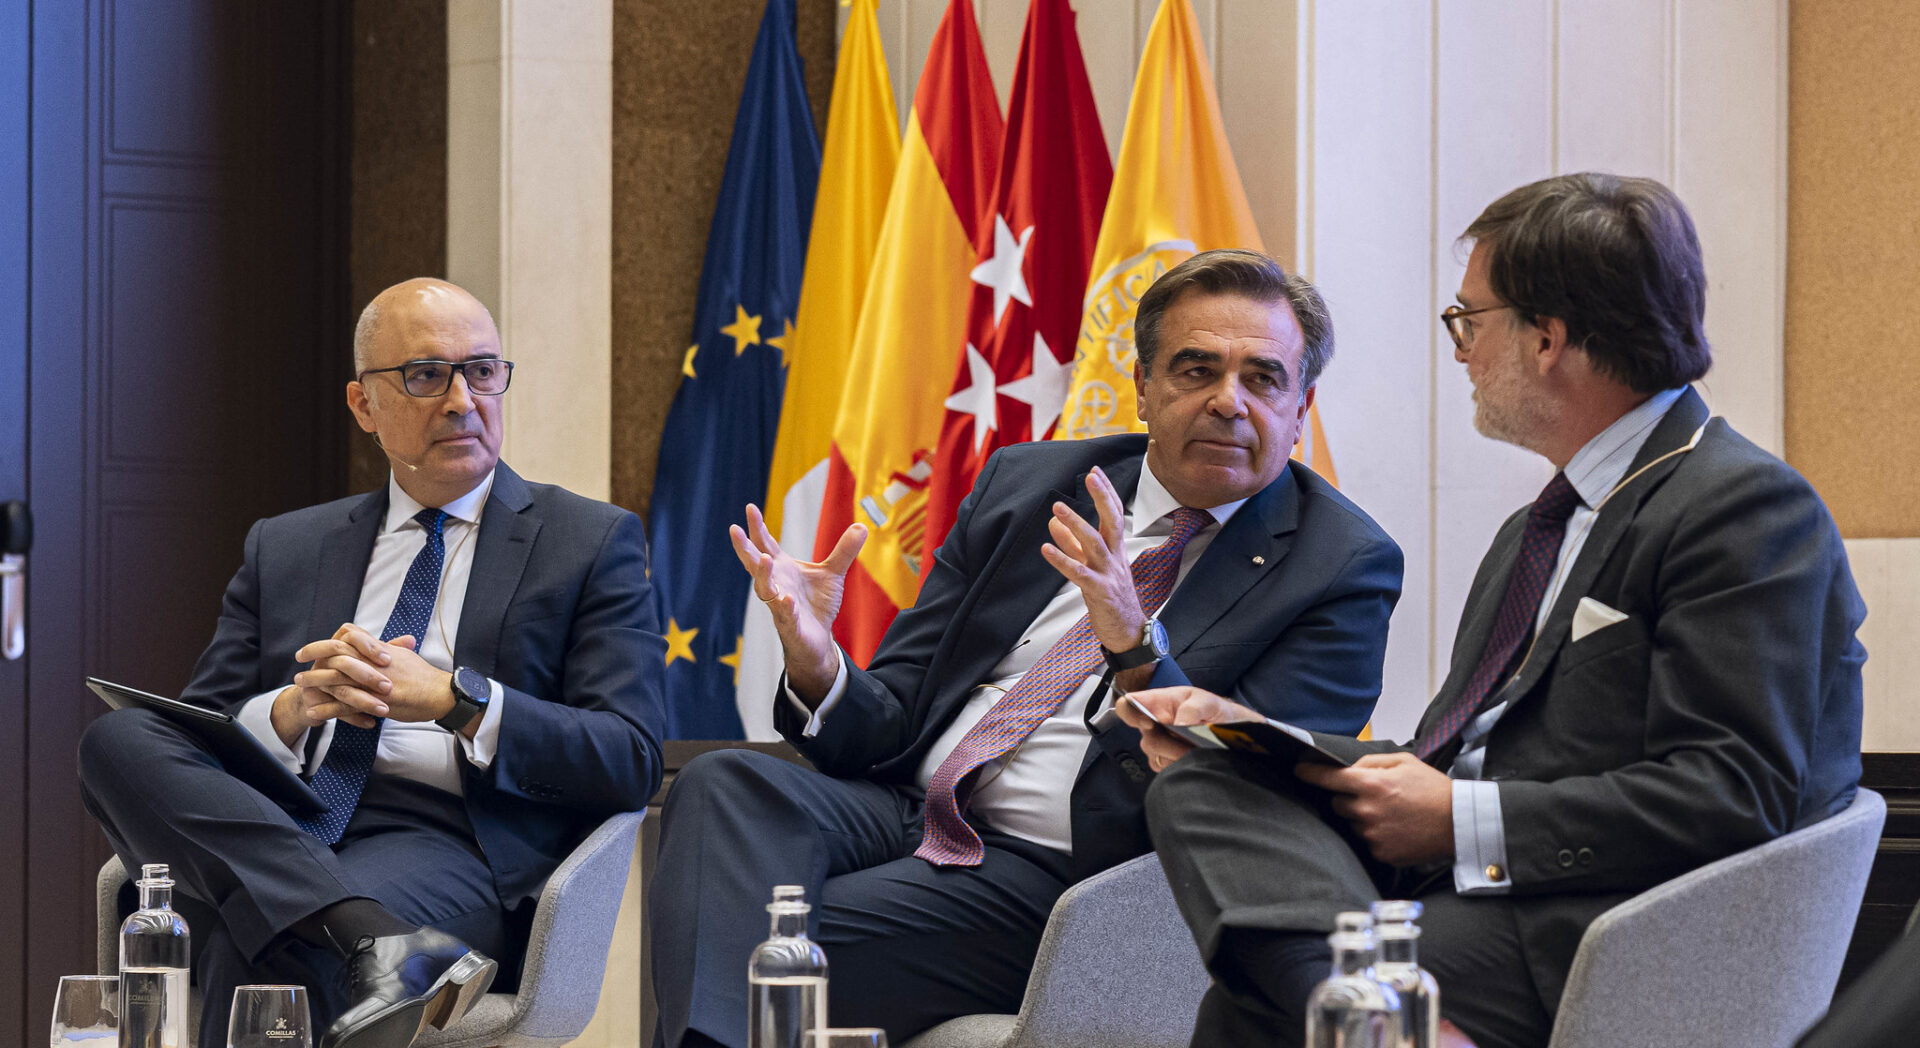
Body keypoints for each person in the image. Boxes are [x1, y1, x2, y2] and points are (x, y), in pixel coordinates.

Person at [1120, 174, 1866, 1048]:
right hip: (1463, 882)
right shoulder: (1538, 527)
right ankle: (1382, 1015)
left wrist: (1459, 820)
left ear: (1546, 338)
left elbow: (1735, 791)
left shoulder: (1743, 508)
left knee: (1255, 1007)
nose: (1462, 352)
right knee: (1207, 779)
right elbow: (1455, 753)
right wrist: (1248, 730)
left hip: (1595, 922)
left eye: (1469, 322)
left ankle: (1364, 1006)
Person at [649, 249, 1405, 1048]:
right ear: (1144, 386)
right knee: (725, 784)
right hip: (909, 810)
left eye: (1263, 378)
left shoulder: (1340, 565)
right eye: (1197, 370)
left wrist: (1133, 642)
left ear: (1301, 406)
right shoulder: (1029, 485)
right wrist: (815, 657)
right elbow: (897, 716)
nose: (1230, 402)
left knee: (734, 927)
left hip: (1072, 873)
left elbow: (1249, 790)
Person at [77, 278, 667, 1048]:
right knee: (113, 742)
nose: (462, 400)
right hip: (274, 816)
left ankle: (358, 932)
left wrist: (456, 699)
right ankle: (370, 936)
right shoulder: (285, 546)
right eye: (427, 376)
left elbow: (630, 756)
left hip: (450, 839)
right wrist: (286, 714)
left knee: (258, 945)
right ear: (364, 406)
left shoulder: (586, 541)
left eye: (482, 371)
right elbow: (195, 739)